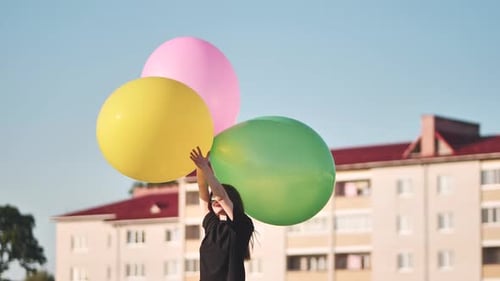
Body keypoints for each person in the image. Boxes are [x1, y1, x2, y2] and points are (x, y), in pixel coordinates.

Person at [190, 146, 255, 281]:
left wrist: (206, 168)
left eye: (216, 197)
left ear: (232, 201)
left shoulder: (242, 225)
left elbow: (221, 196)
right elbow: (202, 187)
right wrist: (200, 164)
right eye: (211, 198)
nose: (214, 199)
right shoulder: (211, 225)